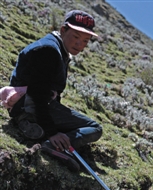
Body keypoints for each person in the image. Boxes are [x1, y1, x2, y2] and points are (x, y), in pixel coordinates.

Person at [8, 10, 103, 171]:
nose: (80, 45)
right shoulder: (50, 50)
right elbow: (38, 93)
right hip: (29, 104)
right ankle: (52, 144)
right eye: (76, 37)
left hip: (26, 103)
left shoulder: (56, 47)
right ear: (63, 30)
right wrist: (53, 133)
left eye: (85, 41)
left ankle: (34, 123)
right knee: (95, 128)